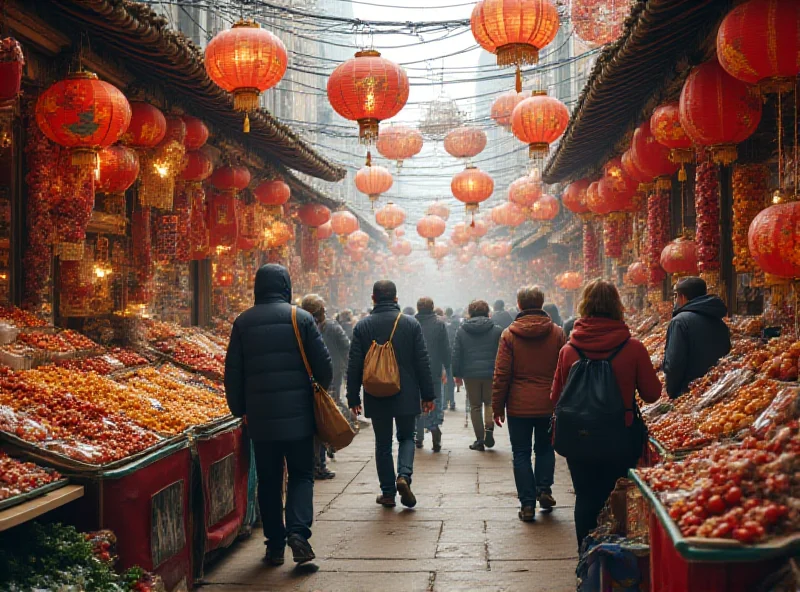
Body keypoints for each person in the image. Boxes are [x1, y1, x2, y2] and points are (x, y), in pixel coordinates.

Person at [224, 264, 332, 566]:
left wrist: (239, 410)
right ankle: (298, 533)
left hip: (260, 420)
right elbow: (324, 368)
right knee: (301, 474)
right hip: (299, 416)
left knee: (269, 481)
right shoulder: (302, 319)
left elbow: (232, 373)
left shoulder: (243, 323)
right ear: (286, 286)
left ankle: (274, 546)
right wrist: (316, 392)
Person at [551, 280, 661, 548]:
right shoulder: (633, 348)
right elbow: (652, 394)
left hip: (578, 437)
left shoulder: (569, 350)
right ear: (617, 306)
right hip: (620, 437)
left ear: (584, 306)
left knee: (586, 497)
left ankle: (587, 560)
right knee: (619, 496)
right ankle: (615, 564)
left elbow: (554, 397)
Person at [347, 280, 435, 509]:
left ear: (373, 298)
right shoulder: (410, 324)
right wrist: (428, 394)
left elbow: (354, 364)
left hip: (376, 392)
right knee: (407, 437)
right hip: (406, 391)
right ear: (396, 298)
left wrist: (353, 397)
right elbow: (422, 361)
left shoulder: (362, 326)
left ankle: (387, 492)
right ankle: (403, 476)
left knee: (382, 443)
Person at [493, 287, 565, 522]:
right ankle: (544, 489)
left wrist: (497, 406)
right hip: (549, 402)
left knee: (521, 452)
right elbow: (564, 370)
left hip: (518, 405)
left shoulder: (509, 334)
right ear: (542, 303)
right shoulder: (557, 333)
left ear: (519, 305)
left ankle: (527, 504)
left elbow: (502, 374)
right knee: (545, 448)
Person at [301, 294, 351, 481]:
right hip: (322, 379)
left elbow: (346, 348)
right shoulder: (324, 327)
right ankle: (319, 462)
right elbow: (346, 348)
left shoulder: (302, 325)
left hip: (318, 378)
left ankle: (318, 460)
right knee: (321, 420)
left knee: (317, 420)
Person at [663, 276, 731, 399]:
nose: (675, 301)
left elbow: (674, 364)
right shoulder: (720, 322)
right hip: (717, 391)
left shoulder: (679, 322)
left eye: (675, 296)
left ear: (682, 297)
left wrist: (672, 393)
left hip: (688, 393)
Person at [452, 299, 504, 451]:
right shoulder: (497, 330)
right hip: (491, 372)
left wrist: (457, 374)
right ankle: (489, 429)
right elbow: (503, 353)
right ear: (488, 312)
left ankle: (479, 439)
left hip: (470, 373)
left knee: (475, 406)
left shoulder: (462, 330)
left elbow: (457, 353)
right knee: (489, 402)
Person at [415, 297, 451, 452]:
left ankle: (418, 436)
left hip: (414, 371)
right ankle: (434, 427)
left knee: (416, 403)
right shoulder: (439, 324)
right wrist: (447, 367)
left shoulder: (409, 323)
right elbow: (445, 348)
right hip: (433, 369)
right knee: (434, 400)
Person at [443, 307, 459, 411]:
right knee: (450, 379)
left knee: (444, 380)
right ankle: (452, 401)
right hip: (453, 355)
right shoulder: (456, 326)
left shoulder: (443, 326)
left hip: (444, 356)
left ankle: (444, 403)